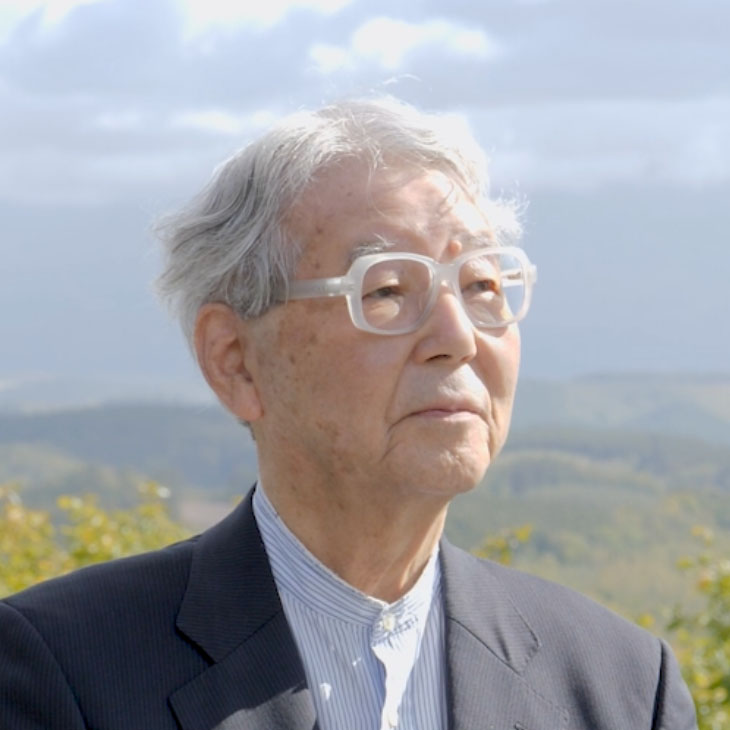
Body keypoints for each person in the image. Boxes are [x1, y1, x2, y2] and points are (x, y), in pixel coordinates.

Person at [0, 97, 696, 730]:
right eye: (387, 289)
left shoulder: (625, 687)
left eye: (483, 283)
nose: (457, 336)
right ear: (236, 360)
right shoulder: (64, 671)